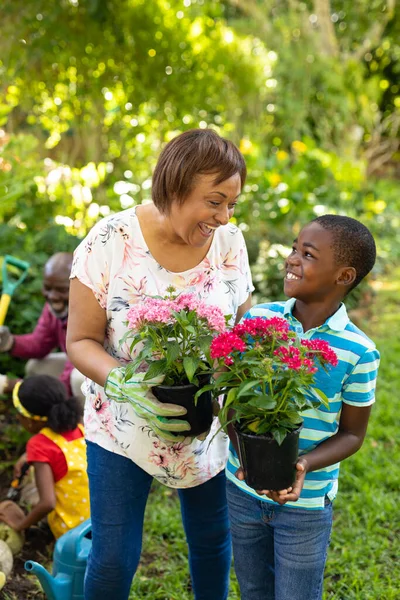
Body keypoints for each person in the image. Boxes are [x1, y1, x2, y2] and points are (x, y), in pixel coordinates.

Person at [66, 128, 253, 600]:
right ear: (176, 186)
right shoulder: (110, 240)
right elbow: (81, 340)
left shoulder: (229, 242)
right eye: (215, 201)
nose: (224, 216)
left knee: (212, 542)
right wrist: (125, 382)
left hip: (205, 423)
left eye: (231, 203)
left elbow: (241, 327)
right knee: (113, 556)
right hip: (122, 423)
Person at [226, 214, 380, 600]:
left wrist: (303, 465)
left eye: (307, 254)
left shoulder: (359, 351)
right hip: (241, 488)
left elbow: (352, 434)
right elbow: (230, 399)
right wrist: (242, 448)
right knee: (253, 590)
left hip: (306, 504)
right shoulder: (260, 321)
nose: (291, 259)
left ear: (344, 276)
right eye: (294, 248)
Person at [0, 375, 90, 538]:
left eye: (19, 414)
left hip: (72, 535)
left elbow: (47, 503)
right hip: (99, 523)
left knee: (38, 489)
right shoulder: (79, 426)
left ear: (30, 421)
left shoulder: (39, 445)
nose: (17, 417)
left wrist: (20, 525)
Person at [0, 253, 84, 403]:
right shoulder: (54, 310)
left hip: (101, 373)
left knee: (77, 379)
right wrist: (9, 342)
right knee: (35, 367)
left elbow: (75, 367)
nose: (52, 296)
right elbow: (39, 343)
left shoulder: (88, 312)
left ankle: (80, 423)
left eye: (62, 290)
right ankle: (53, 411)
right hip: (75, 362)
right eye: (47, 288)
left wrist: (11, 385)